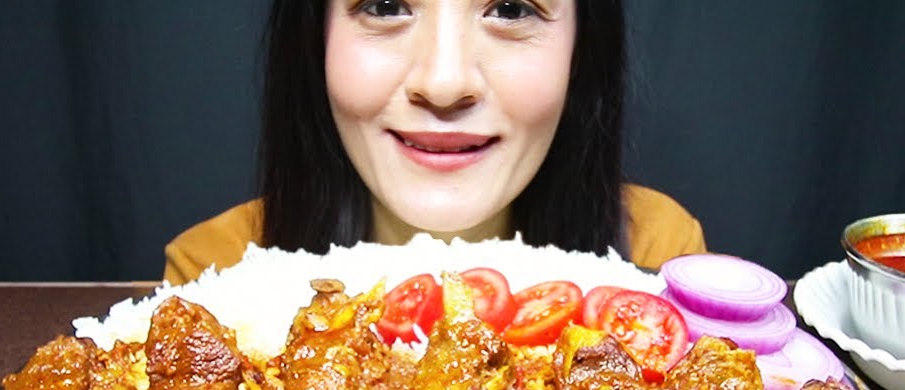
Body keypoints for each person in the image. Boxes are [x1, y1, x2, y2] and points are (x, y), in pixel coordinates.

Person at [164, 0, 704, 285]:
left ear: (584, 49)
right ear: (313, 38)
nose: (444, 84)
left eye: (512, 8)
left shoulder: (662, 260)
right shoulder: (213, 272)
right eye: (384, 4)